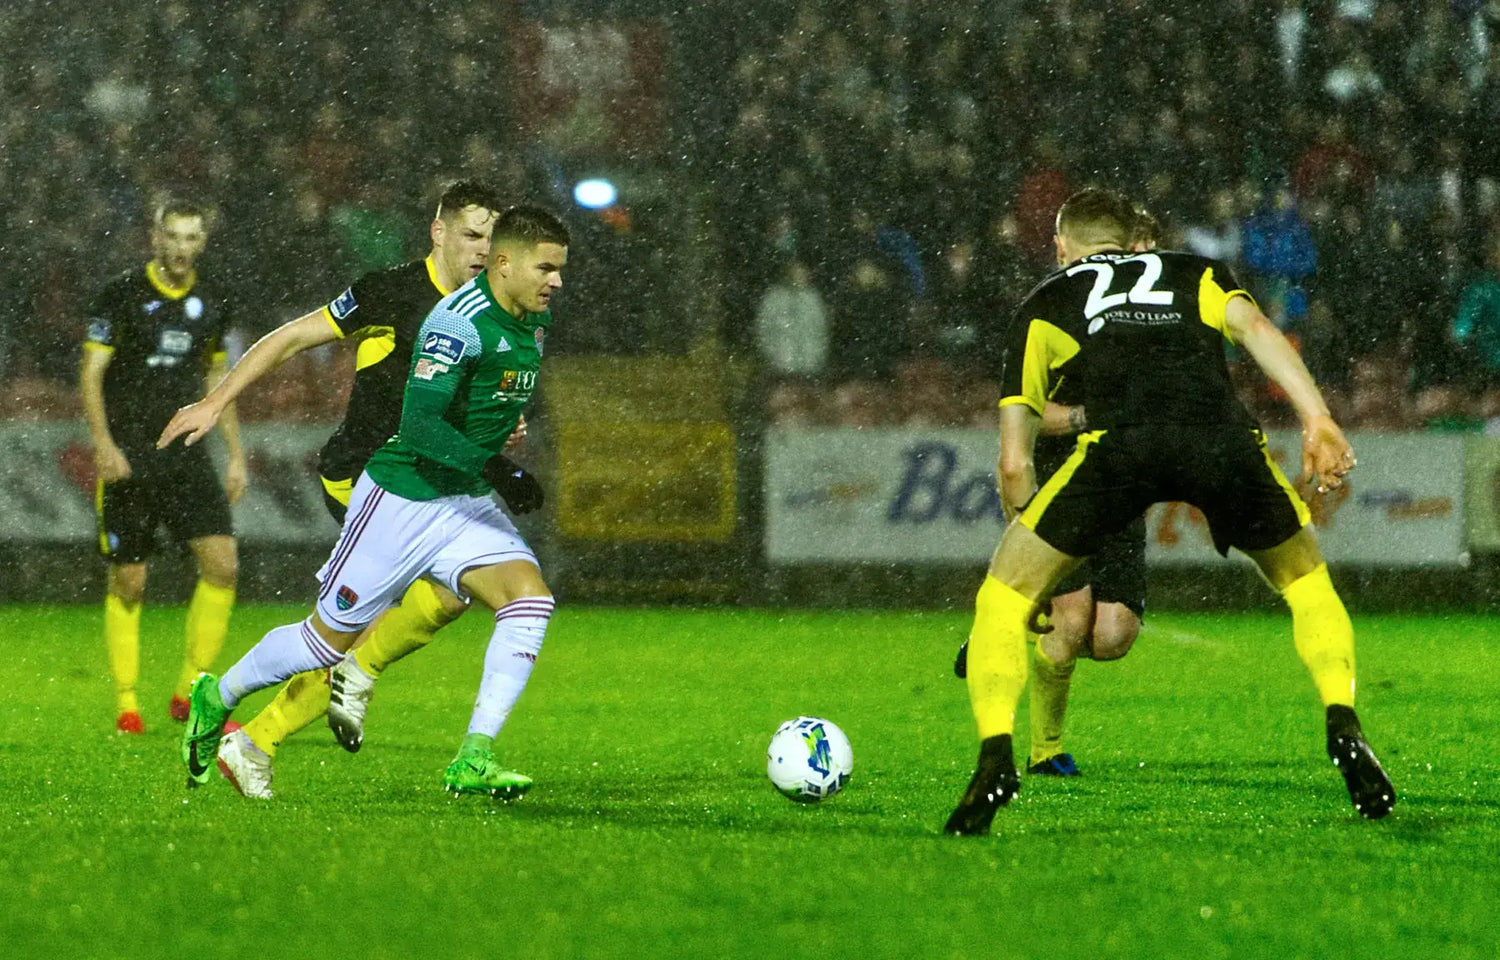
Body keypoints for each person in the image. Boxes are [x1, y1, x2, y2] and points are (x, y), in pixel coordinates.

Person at [945, 188, 1394, 836]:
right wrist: (1317, 417)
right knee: (1305, 583)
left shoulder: (1048, 300)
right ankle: (1342, 722)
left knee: (1002, 600)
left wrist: (1025, 538)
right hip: (1218, 437)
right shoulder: (1191, 270)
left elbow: (1015, 461)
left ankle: (994, 758)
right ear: (1132, 240)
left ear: (1062, 246)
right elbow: (1258, 332)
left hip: (1119, 446)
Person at [180, 204, 569, 802]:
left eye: (559, 269)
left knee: (529, 600)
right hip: (401, 496)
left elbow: (486, 397)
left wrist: (497, 438)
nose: (557, 281)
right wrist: (496, 464)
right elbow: (416, 424)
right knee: (323, 641)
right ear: (504, 263)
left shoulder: (529, 321)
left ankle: (474, 754)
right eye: (546, 268)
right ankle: (222, 694)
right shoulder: (455, 320)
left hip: (461, 499)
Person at [953, 207, 1161, 777]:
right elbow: (1021, 414)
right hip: (1059, 481)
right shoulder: (1048, 310)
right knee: (1069, 623)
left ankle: (1004, 618)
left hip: (1119, 485)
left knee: (1112, 635)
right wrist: (1086, 420)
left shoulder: (1154, 319)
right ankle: (1045, 752)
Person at [79, 198, 246, 734]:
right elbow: (91, 374)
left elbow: (219, 384)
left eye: (191, 237)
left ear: (203, 242)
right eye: (172, 236)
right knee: (130, 581)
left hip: (187, 457)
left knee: (223, 566)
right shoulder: (121, 295)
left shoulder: (214, 300)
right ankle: (128, 701)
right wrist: (104, 444)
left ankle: (189, 691)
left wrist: (237, 455)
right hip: (130, 457)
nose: (181, 247)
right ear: (155, 238)